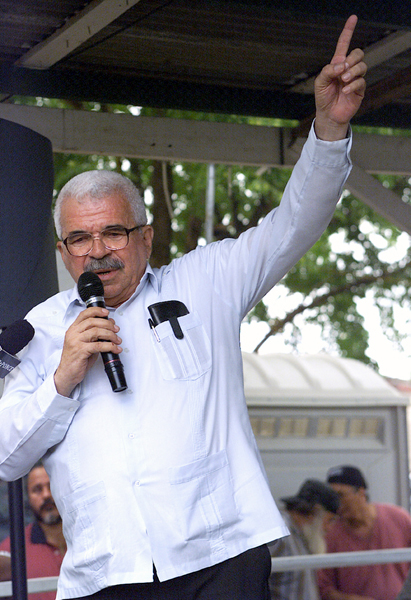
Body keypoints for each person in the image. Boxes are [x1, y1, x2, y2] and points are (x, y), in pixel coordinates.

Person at [0, 15, 367, 600]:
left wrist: (329, 130)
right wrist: (62, 379)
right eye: (80, 239)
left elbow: (293, 225)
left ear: (146, 237)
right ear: (63, 251)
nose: (98, 251)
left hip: (220, 559)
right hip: (106, 573)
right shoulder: (41, 330)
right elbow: (7, 458)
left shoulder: (204, 283)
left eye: (114, 232)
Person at [318, 465, 411, 600]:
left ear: (361, 492)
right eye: (331, 497)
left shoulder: (398, 518)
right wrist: (349, 599)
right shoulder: (331, 534)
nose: (335, 503)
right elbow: (324, 588)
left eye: (340, 495)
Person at [0, 462, 66, 600]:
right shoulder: (13, 549)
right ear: (28, 498)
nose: (46, 495)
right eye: (37, 489)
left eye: (51, 486)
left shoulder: (87, 538)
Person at [269, 479, 339, 600]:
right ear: (315, 512)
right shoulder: (280, 533)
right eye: (329, 520)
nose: (328, 528)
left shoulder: (301, 535)